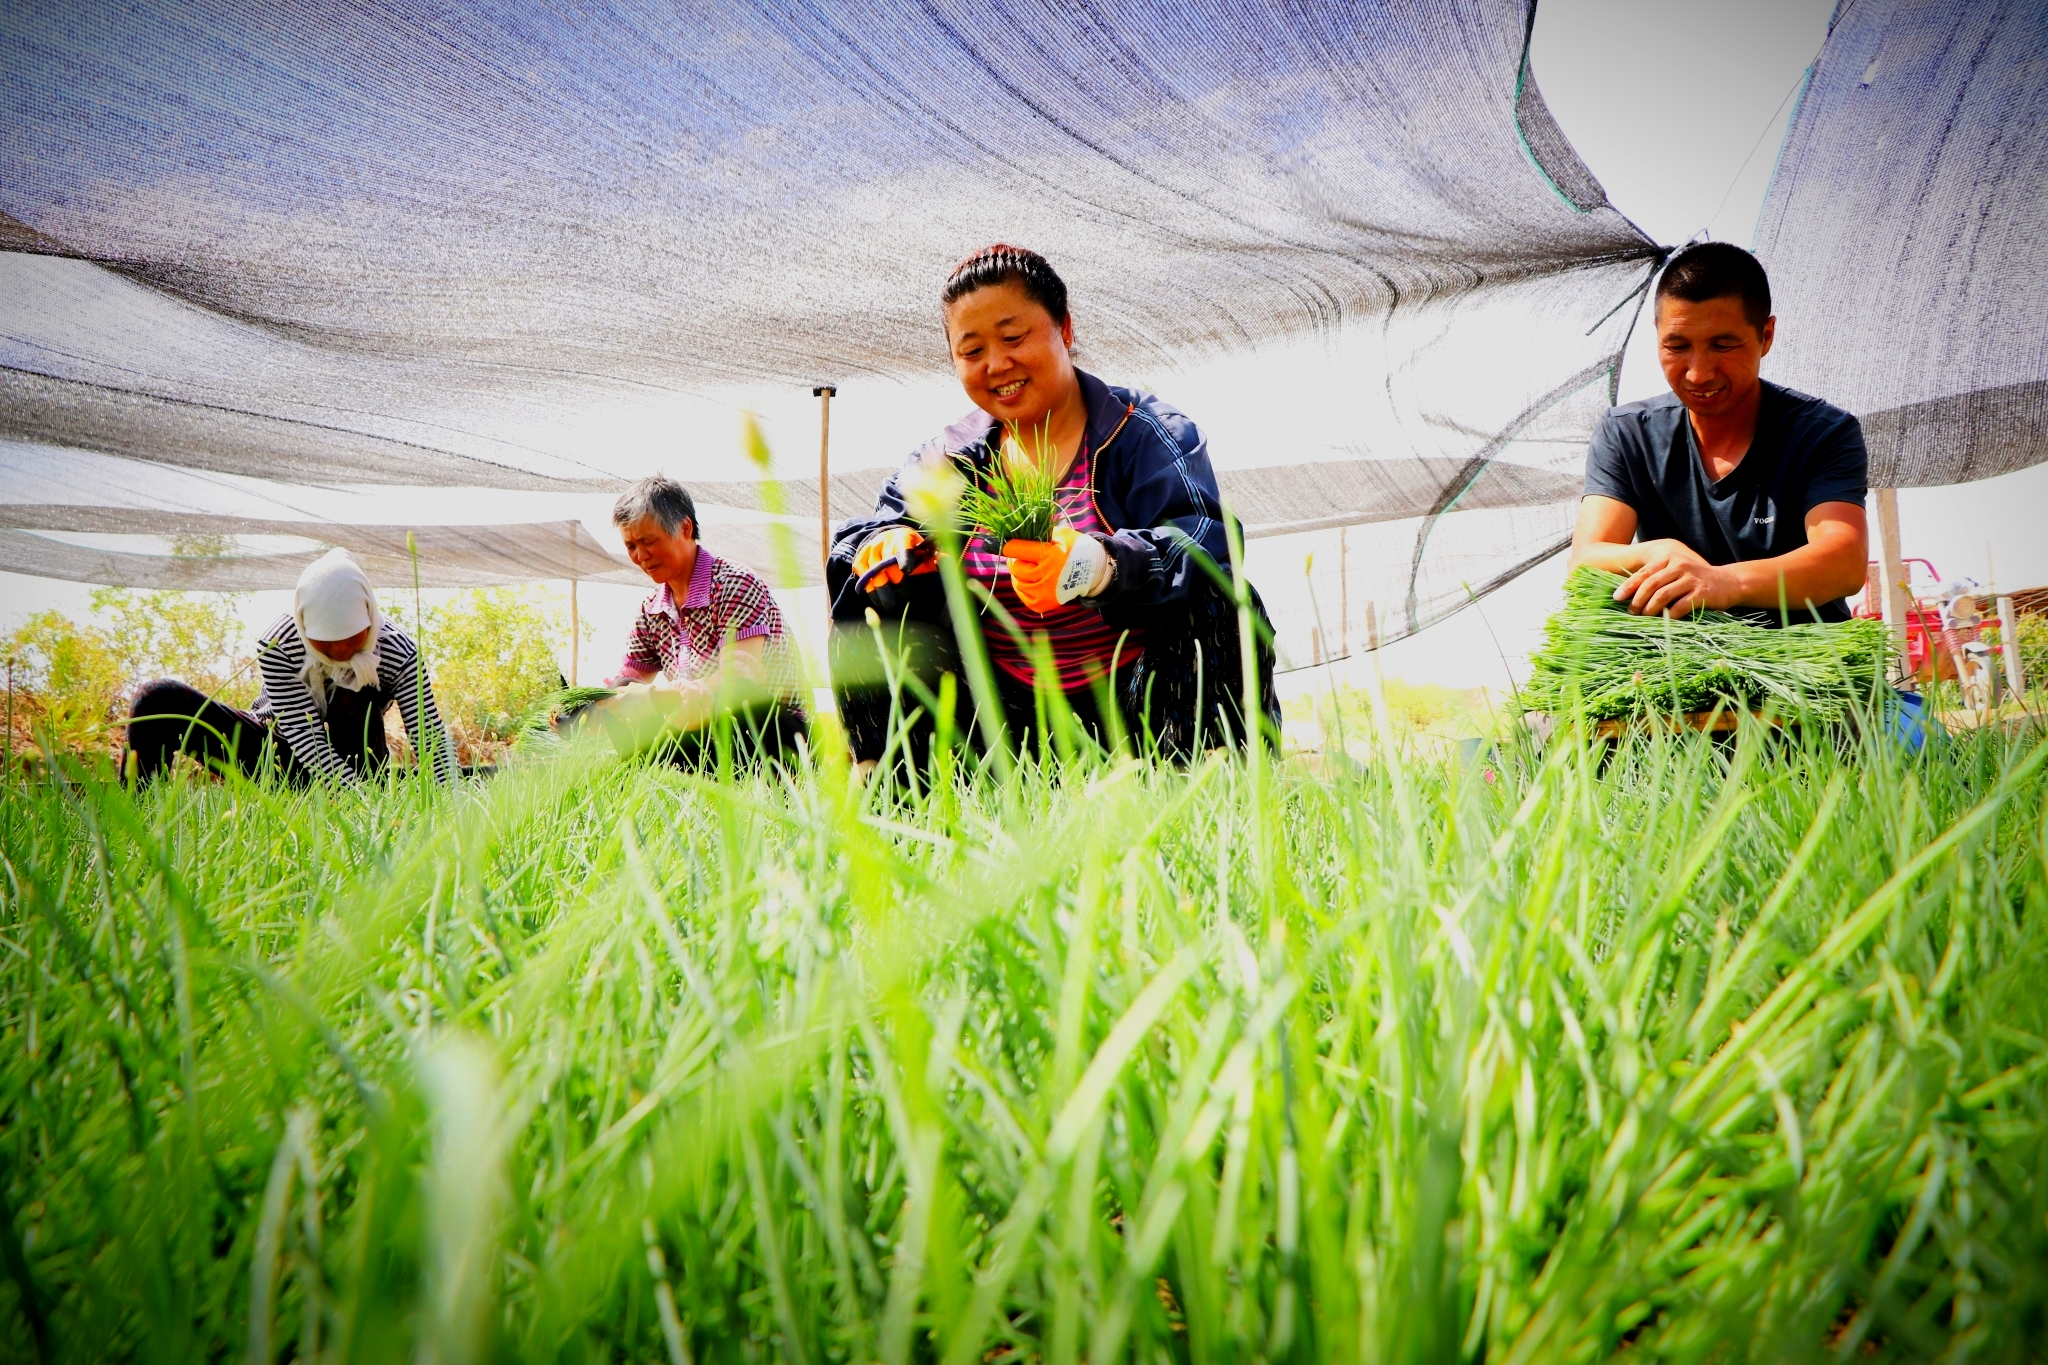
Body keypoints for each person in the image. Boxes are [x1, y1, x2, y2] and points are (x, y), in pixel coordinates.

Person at [828, 243, 1278, 764]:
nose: (997, 364)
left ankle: (1208, 777)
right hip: (1005, 720)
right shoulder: (950, 463)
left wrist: (1097, 565)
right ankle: (896, 795)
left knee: (1218, 599)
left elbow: (1203, 538)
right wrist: (886, 547)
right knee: (867, 609)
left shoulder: (1140, 435)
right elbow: (866, 535)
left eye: (1014, 337)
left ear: (1064, 329)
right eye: (972, 352)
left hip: (1141, 705)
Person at [1572, 241, 1869, 624]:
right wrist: (1655, 553)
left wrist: (1724, 582)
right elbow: (1584, 563)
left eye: (1723, 345)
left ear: (1766, 336)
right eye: (1677, 346)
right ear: (1657, 334)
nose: (1699, 373)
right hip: (1676, 666)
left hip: (1806, 670)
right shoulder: (1627, 435)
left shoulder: (1822, 434)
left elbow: (1843, 562)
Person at [125, 548, 458, 786]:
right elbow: (303, 734)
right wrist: (355, 796)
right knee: (156, 698)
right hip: (279, 754)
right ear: (304, 623)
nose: (341, 649)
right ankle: (139, 809)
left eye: (352, 637)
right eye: (326, 641)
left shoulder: (399, 651)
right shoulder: (279, 642)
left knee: (351, 688)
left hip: (356, 762)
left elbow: (428, 733)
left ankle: (358, 791)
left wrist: (453, 802)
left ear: (369, 614)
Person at [595, 475, 807, 765]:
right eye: (631, 546)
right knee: (618, 693)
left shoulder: (734, 583)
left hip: (772, 734)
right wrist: (592, 706)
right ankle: (651, 776)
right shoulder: (651, 609)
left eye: (649, 541)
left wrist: (657, 696)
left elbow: (738, 680)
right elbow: (628, 679)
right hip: (702, 731)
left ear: (684, 528)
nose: (641, 555)